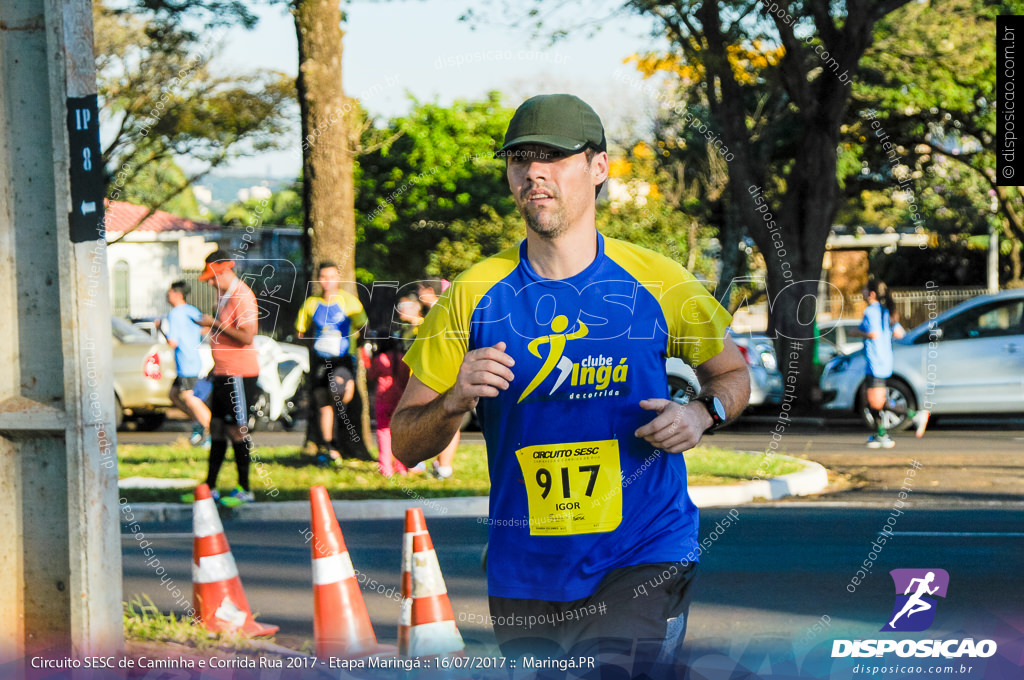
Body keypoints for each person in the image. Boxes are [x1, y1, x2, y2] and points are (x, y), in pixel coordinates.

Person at [392, 94, 751, 670]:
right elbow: (406, 443)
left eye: (554, 157)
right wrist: (455, 400)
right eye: (520, 159)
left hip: (645, 551)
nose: (533, 172)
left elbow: (732, 373)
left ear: (599, 167)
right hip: (526, 570)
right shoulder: (473, 294)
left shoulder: (659, 280)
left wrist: (701, 413)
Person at [186, 249, 261, 507]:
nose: (209, 282)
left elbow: (246, 337)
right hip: (222, 371)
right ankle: (211, 487)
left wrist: (214, 324)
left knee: (237, 430)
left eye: (212, 277)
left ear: (226, 271)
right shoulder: (224, 295)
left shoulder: (243, 296)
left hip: (238, 373)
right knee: (216, 429)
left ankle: (245, 489)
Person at [296, 262, 369, 466]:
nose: (326, 282)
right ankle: (331, 447)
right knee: (323, 404)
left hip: (343, 358)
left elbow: (363, 327)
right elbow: (300, 330)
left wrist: (356, 346)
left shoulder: (350, 302)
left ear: (338, 278)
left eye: (330, 277)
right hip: (320, 358)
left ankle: (347, 439)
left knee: (339, 392)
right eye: (323, 277)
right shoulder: (311, 303)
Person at [849, 279, 929, 448]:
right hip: (883, 361)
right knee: (870, 399)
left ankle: (913, 416)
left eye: (864, 289)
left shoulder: (871, 311)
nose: (861, 292)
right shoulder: (886, 311)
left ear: (871, 294)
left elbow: (873, 334)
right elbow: (899, 333)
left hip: (875, 362)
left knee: (874, 402)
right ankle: (881, 434)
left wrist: (856, 332)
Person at [157, 281, 211, 447]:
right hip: (192, 361)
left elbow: (172, 342)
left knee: (190, 398)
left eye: (170, 292)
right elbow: (205, 328)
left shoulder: (174, 314)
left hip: (186, 363)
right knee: (173, 395)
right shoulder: (192, 310)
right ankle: (197, 424)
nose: (167, 295)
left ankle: (210, 431)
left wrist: (160, 329)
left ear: (177, 294)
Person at [417, 279, 458, 480]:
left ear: (430, 290)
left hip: (444, 372)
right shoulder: (442, 310)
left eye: (420, 290)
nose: (418, 295)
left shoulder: (440, 311)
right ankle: (441, 464)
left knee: (449, 418)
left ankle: (444, 466)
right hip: (442, 371)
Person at [368, 332, 410, 476]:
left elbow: (370, 375)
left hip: (383, 399)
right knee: (400, 433)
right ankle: (401, 466)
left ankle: (385, 468)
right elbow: (406, 380)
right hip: (400, 399)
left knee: (383, 432)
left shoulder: (380, 359)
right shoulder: (403, 358)